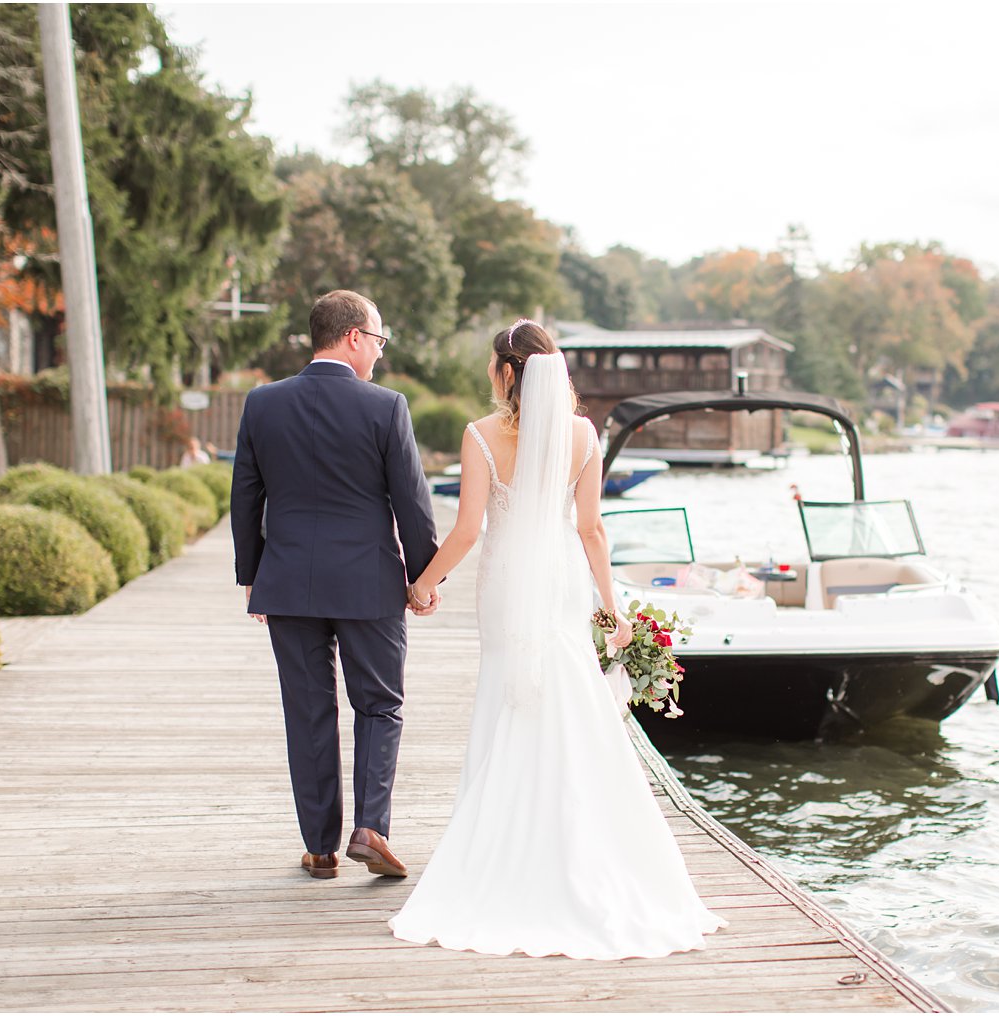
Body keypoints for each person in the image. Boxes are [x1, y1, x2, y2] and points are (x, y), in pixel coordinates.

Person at [387, 319, 726, 959]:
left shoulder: (481, 436)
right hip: (564, 580)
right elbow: (592, 528)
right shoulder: (582, 435)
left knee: (509, 694)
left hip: (509, 579)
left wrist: (422, 584)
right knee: (569, 695)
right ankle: (593, 847)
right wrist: (613, 606)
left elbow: (465, 531)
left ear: (506, 372)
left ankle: (506, 849)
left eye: (493, 364)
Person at [230, 289, 439, 881]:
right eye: (377, 340)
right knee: (379, 704)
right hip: (368, 584)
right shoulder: (385, 407)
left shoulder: (262, 404)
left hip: (288, 583)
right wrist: (424, 578)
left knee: (308, 711)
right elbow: (413, 506)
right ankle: (370, 828)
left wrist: (252, 575)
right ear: (352, 337)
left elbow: (245, 495)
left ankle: (321, 848)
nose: (378, 352)